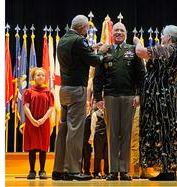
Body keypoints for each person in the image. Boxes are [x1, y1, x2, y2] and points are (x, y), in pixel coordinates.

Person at [52, 14, 110, 181]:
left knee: (63, 129)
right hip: (77, 89)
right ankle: (72, 170)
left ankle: (59, 169)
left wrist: (92, 48)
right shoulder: (79, 40)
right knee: (76, 130)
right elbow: (94, 61)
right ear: (82, 28)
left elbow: (76, 56)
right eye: (87, 28)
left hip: (64, 90)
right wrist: (101, 52)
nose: (87, 31)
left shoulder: (63, 39)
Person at [93, 22, 146, 181]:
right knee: (112, 134)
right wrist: (97, 98)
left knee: (126, 133)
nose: (118, 32)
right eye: (116, 30)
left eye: (121, 30)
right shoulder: (105, 51)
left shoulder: (132, 50)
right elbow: (98, 77)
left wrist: (139, 95)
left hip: (129, 97)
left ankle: (124, 171)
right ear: (112, 33)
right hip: (110, 96)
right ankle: (112, 170)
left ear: (126, 33)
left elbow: (141, 75)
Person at [133, 25, 177, 181]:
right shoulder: (174, 50)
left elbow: (140, 52)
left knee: (163, 130)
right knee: (166, 130)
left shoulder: (167, 49)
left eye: (163, 35)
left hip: (162, 98)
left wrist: (137, 41)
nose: (161, 37)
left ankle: (168, 170)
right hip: (164, 96)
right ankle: (166, 169)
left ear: (168, 37)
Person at [22, 67, 54, 180]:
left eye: (43, 75)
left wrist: (43, 119)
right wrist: (32, 120)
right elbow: (26, 107)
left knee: (43, 148)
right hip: (31, 123)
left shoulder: (49, 92)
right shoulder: (28, 92)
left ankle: (42, 170)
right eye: (38, 75)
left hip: (43, 123)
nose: (41, 77)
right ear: (33, 77)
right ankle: (31, 170)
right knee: (32, 148)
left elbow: (51, 108)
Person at [88, 107, 109, 179]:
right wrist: (91, 138)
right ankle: (96, 172)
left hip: (107, 136)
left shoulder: (109, 113)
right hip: (98, 137)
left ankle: (107, 172)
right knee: (98, 155)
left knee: (107, 156)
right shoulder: (95, 114)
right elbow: (92, 127)